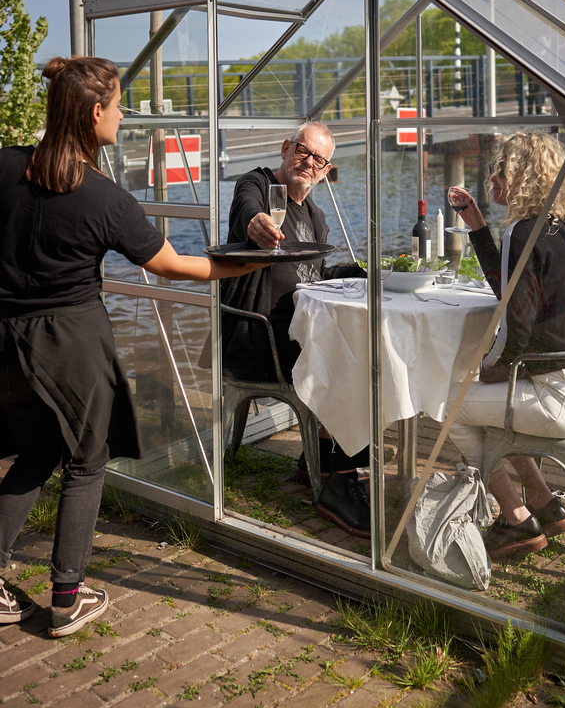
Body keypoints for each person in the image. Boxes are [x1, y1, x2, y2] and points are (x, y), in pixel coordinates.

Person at [0, 56, 262, 637]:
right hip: (70, 344)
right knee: (86, 461)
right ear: (95, 112)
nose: (123, 115)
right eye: (118, 105)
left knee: (36, 452)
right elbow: (175, 265)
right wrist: (245, 259)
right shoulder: (104, 199)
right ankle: (66, 598)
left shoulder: (4, 168)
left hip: (6, 345)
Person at [447, 130, 565, 560]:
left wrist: (480, 371)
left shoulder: (522, 233)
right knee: (488, 398)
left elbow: (516, 336)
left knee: (448, 401)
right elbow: (512, 288)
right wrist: (479, 226)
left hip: (556, 399)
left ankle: (517, 517)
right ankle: (545, 503)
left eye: (498, 170)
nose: (491, 179)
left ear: (521, 176)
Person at [219, 123, 371, 539]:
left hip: (299, 334)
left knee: (363, 346)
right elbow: (248, 209)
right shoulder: (260, 184)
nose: (308, 162)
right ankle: (341, 481)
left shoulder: (316, 216)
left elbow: (316, 274)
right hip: (257, 336)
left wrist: (366, 274)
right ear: (286, 148)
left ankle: (321, 458)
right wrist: (257, 224)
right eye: (303, 151)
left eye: (318, 159)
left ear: (325, 171)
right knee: (352, 361)